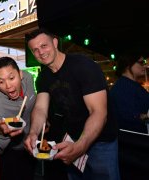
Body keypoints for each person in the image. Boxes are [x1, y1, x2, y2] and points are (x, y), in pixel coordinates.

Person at [24, 28, 120, 180]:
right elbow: (40, 108)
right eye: (35, 50)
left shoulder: (83, 66)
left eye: (44, 46)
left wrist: (80, 147)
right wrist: (33, 132)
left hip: (100, 142)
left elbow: (99, 112)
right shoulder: (43, 77)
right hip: (70, 141)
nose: (40, 52)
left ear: (55, 43)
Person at [0, 56, 37, 180]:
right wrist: (2, 132)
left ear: (20, 74)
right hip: (11, 152)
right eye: (1, 81)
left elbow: (35, 103)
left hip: (32, 145)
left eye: (11, 78)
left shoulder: (28, 78)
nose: (8, 86)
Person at [109, 54, 149, 133]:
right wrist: (145, 116)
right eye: (141, 63)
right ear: (128, 65)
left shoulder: (132, 85)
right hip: (135, 139)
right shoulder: (122, 87)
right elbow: (127, 115)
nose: (144, 66)